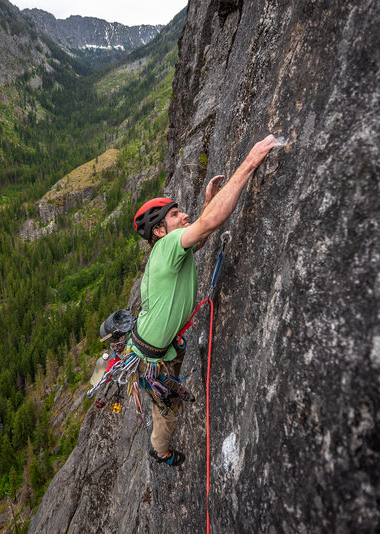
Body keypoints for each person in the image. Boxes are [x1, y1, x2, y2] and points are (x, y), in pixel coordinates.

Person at [130, 135, 281, 466]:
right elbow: (209, 224)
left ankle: (160, 443)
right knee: (166, 411)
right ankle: (161, 452)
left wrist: (208, 200)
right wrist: (249, 163)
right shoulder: (168, 247)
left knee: (164, 405)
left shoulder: (168, 251)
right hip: (157, 357)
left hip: (153, 345)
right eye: (175, 214)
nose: (183, 216)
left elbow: (200, 231)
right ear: (159, 231)